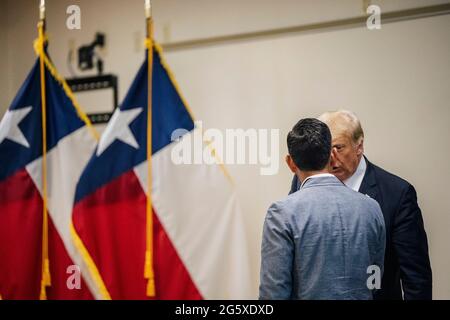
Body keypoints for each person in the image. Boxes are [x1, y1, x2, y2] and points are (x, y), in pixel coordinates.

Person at [289, 110, 432, 300]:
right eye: (326, 149)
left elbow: (416, 278)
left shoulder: (397, 194)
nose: (330, 158)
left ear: (359, 146)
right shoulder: (302, 182)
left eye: (338, 147)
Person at [259, 118, 385, 300]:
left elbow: (273, 294)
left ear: (290, 163)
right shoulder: (371, 208)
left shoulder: (282, 213)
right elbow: (374, 280)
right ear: (330, 156)